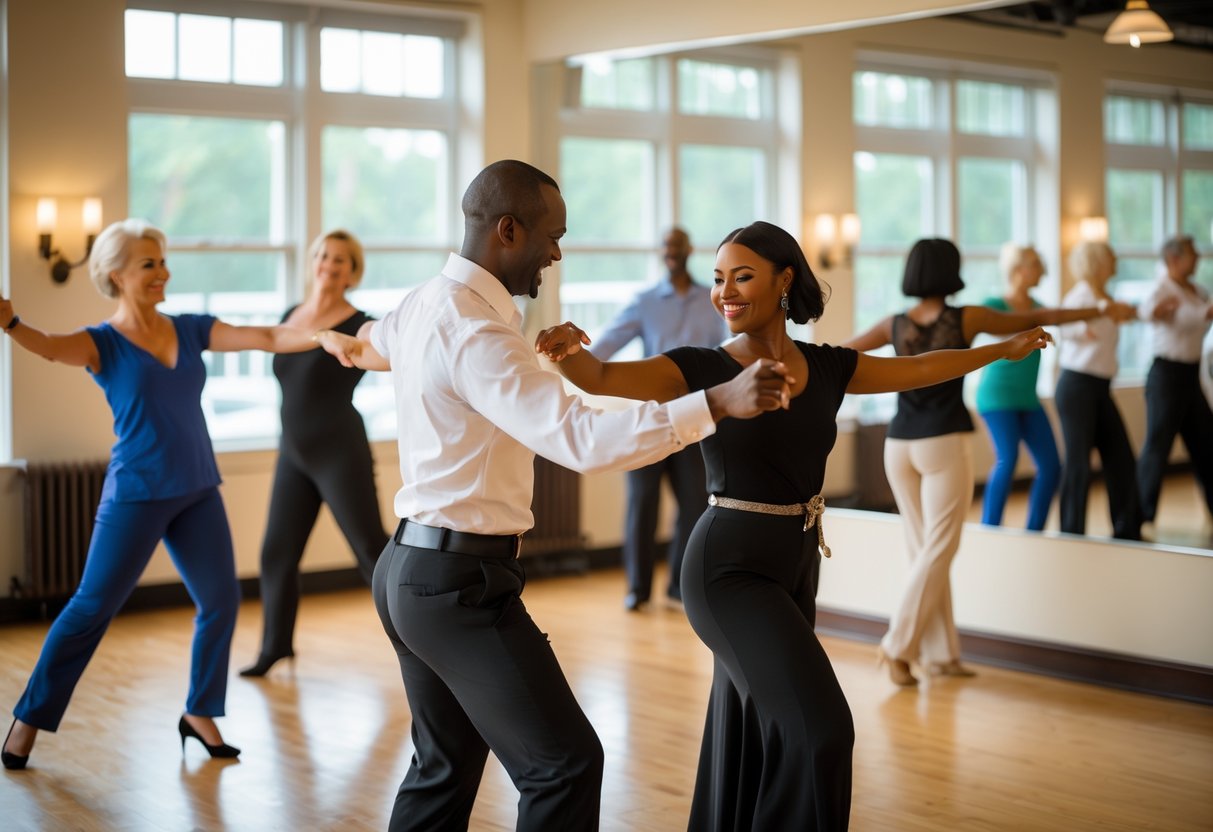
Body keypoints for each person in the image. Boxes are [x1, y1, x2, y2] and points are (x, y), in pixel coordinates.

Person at [314, 160, 792, 832]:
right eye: (551, 235)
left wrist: (345, 344)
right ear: (507, 230)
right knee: (564, 765)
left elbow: (377, 343)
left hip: (408, 573)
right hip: (457, 588)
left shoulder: (429, 303)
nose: (558, 251)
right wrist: (714, 402)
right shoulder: (479, 333)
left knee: (442, 768)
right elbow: (579, 438)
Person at [535, 220, 1051, 831]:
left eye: (743, 276)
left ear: (785, 280)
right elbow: (603, 379)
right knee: (823, 728)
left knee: (756, 726)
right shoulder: (700, 366)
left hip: (795, 565)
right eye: (720, 278)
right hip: (727, 570)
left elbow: (919, 368)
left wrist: (1000, 348)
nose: (725, 291)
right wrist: (567, 352)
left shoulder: (830, 367)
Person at [1, 219, 319, 771]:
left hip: (197, 486)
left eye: (163, 261)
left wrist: (326, 335)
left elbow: (267, 337)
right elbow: (50, 347)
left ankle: (199, 713)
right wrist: (10, 323)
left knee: (219, 603)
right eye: (149, 264)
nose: (162, 272)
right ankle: (28, 720)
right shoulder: (101, 344)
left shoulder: (191, 329)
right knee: (91, 608)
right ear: (116, 275)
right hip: (138, 492)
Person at [844, 237, 1129, 688]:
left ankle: (940, 655)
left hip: (897, 447)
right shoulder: (967, 316)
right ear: (950, 271)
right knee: (938, 550)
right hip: (942, 442)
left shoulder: (893, 323)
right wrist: (1098, 310)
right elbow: (1037, 317)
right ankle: (897, 647)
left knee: (924, 552)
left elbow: (839, 356)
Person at [240, 230, 390, 678]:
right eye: (323, 255)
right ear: (313, 261)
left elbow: (379, 354)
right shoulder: (290, 315)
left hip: (339, 451)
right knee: (276, 554)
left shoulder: (360, 322)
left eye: (341, 259)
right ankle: (275, 647)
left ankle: (419, 643)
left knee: (370, 551)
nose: (329, 264)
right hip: (294, 454)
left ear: (353, 272)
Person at [590, 227, 728, 611]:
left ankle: (679, 588)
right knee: (641, 504)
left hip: (695, 418)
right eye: (666, 247)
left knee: (693, 504)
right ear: (661, 253)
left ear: (688, 250)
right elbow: (603, 348)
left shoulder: (712, 299)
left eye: (677, 247)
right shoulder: (646, 302)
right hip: (651, 418)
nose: (671, 253)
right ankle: (638, 588)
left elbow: (731, 350)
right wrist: (577, 360)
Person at [1054, 241, 1144, 540]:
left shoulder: (1106, 297)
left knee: (1120, 457)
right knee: (1078, 462)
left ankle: (1127, 527)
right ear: (1097, 262)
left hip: (1100, 387)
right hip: (1077, 386)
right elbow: (1062, 325)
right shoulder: (1081, 295)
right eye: (1110, 256)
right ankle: (1071, 532)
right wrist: (1082, 329)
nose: (1116, 259)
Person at [975, 243, 1062, 530]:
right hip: (997, 398)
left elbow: (1060, 319)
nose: (1043, 270)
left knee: (1051, 466)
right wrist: (1033, 326)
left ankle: (1034, 531)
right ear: (1017, 269)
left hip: (1027, 399)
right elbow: (995, 330)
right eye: (1036, 263)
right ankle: (990, 529)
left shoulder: (1039, 309)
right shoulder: (995, 306)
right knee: (1008, 458)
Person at [1134, 235, 1213, 530]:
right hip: (1166, 376)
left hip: (1191, 376)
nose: (1199, 258)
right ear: (1174, 259)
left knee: (1207, 443)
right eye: (1193, 254)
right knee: (1157, 446)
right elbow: (1145, 312)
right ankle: (1141, 515)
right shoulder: (1161, 288)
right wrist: (1155, 312)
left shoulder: (1196, 290)